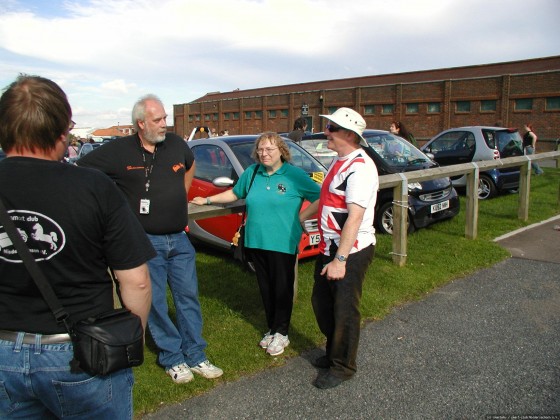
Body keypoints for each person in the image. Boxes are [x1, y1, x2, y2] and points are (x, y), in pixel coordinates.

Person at [0, 75, 154, 418]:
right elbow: (136, 280)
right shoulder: (94, 186)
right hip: (80, 353)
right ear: (60, 132)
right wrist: (134, 336)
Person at [77, 94, 223, 383]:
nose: (164, 124)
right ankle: (172, 357)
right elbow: (82, 172)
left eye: (165, 118)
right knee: (154, 302)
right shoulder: (119, 151)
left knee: (188, 299)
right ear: (140, 123)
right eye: (158, 120)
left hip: (180, 240)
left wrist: (181, 194)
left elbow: (190, 164)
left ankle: (196, 355)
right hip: (145, 241)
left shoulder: (177, 145)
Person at [191, 132, 320, 356]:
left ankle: (282, 333)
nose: (264, 153)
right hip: (256, 241)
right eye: (260, 149)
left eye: (269, 149)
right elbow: (233, 193)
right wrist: (208, 199)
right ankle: (272, 329)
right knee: (266, 287)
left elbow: (321, 196)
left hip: (282, 242)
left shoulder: (294, 175)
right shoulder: (252, 173)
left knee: (282, 288)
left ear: (281, 150)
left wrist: (302, 217)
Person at [299, 107, 378, 389]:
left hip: (350, 251)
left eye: (331, 128)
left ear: (348, 134)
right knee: (322, 304)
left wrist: (341, 260)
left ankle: (343, 366)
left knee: (344, 309)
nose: (326, 132)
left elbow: (354, 217)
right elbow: (326, 197)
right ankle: (334, 352)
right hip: (330, 249)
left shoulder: (361, 168)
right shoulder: (338, 161)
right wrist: (302, 217)